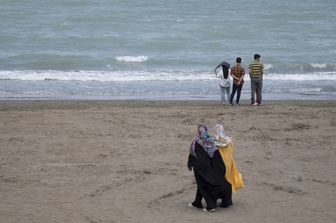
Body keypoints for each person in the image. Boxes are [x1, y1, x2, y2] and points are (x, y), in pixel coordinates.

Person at [188, 124, 233, 212]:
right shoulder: (211, 141)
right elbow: (216, 155)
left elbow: (193, 155)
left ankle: (211, 205)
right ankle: (197, 202)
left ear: (198, 131)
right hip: (213, 167)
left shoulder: (195, 141)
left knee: (203, 185)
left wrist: (191, 164)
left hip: (201, 167)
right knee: (205, 184)